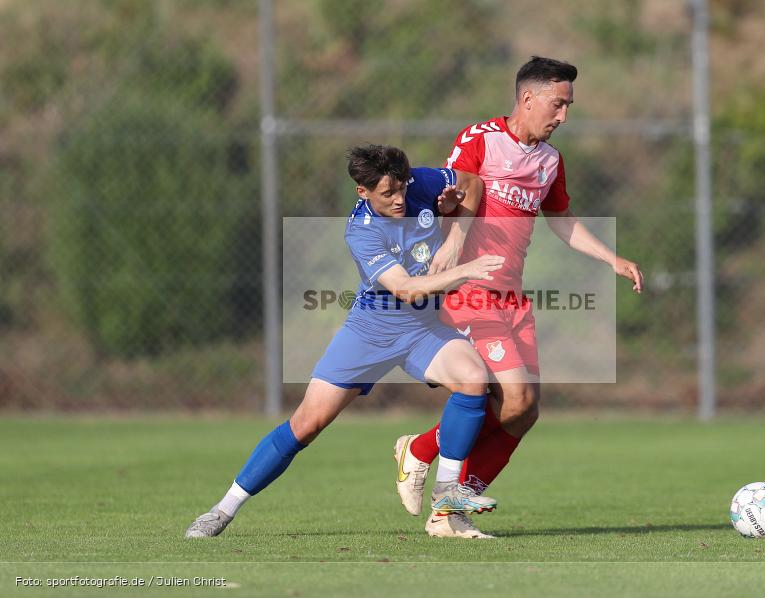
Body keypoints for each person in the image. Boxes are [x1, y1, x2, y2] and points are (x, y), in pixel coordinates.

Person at [185, 145, 505, 538]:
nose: (400, 198)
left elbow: (472, 183)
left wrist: (456, 239)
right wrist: (466, 270)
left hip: (422, 329)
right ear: (362, 191)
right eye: (387, 193)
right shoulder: (362, 230)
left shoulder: (419, 181)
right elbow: (404, 289)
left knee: (475, 378)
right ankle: (222, 510)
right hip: (370, 331)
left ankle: (447, 508)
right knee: (306, 424)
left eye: (402, 187)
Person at [394, 57, 645, 538]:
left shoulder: (550, 161)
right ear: (527, 98)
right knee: (512, 393)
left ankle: (424, 457)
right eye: (558, 104)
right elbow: (453, 196)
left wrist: (611, 259)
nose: (564, 116)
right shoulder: (481, 139)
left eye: (569, 106)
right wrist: (450, 243)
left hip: (511, 297)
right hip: (469, 290)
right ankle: (447, 507)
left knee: (524, 409)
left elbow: (562, 219)